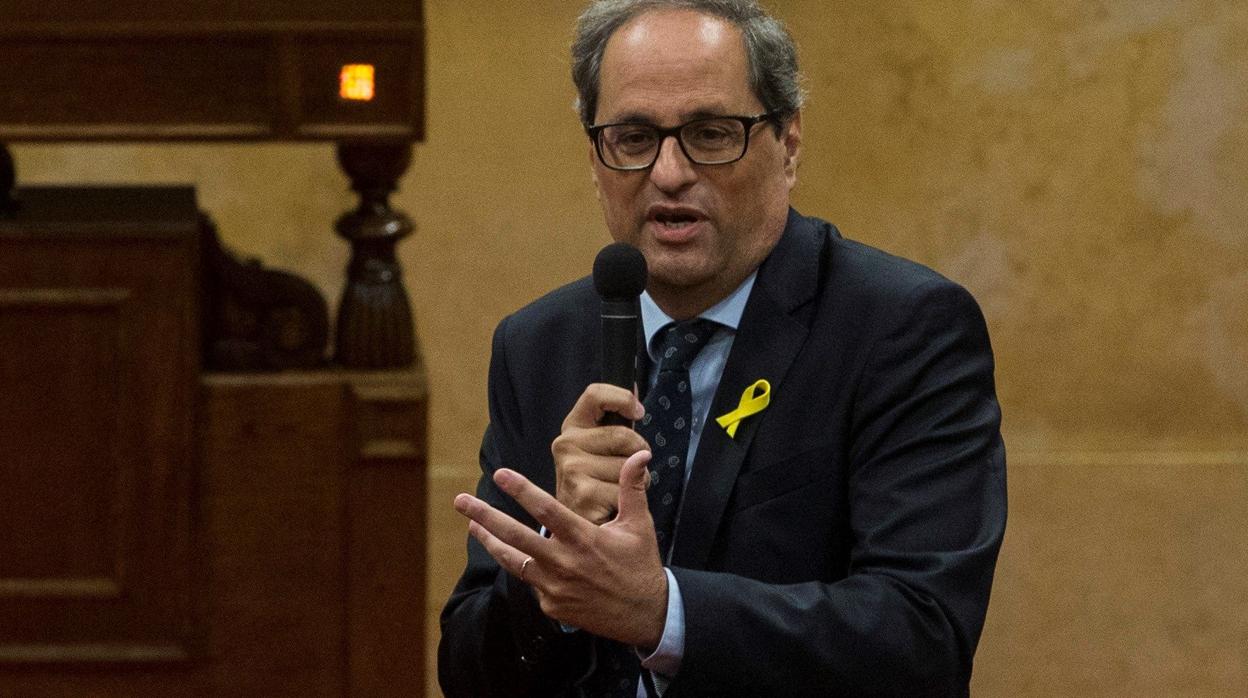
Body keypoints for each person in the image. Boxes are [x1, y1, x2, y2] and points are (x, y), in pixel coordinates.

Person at [439, 1, 1007, 696]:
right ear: (595, 156)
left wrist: (661, 614)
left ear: (788, 143)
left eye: (711, 134)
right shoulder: (538, 345)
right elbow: (470, 672)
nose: (670, 172)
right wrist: (556, 570)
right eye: (634, 136)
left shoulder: (901, 329)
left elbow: (923, 639)